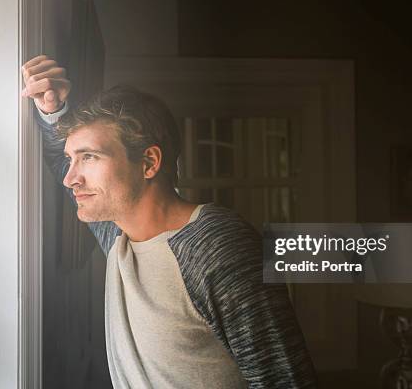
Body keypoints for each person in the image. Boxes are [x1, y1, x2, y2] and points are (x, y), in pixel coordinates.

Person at [21, 55, 317, 388]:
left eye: (89, 157)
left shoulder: (215, 245)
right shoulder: (121, 237)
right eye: (71, 158)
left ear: (149, 162)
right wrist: (52, 110)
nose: (71, 178)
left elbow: (285, 380)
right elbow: (62, 170)